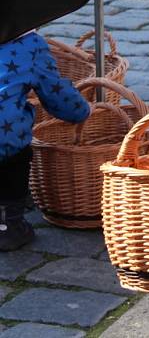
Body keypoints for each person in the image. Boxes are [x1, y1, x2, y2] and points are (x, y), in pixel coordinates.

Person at [0, 32, 90, 251]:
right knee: (14, 149)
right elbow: (58, 95)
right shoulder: (29, 44)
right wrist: (82, 111)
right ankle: (7, 225)